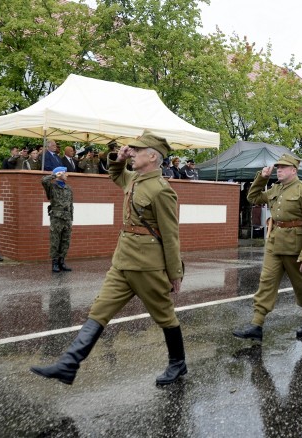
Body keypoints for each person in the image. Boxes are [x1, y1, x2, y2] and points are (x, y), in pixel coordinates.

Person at [30, 130, 186, 386]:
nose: (132, 152)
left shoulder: (161, 190)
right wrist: (120, 158)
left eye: (137, 150)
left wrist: (175, 272)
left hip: (147, 265)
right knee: (99, 310)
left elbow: (170, 235)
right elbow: (115, 174)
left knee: (165, 316)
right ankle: (69, 364)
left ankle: (178, 363)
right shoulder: (133, 179)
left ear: (152, 156)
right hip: (123, 261)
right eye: (132, 149)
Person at [232, 153, 302, 342]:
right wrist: (262, 178)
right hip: (274, 243)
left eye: (283, 167)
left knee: (301, 286)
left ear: (293, 170)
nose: (278, 170)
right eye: (277, 167)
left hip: (295, 247)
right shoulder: (275, 189)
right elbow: (253, 197)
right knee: (266, 282)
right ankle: (257, 324)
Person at [41, 167, 74, 273]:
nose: (67, 175)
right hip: (56, 218)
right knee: (55, 241)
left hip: (67, 217)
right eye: (65, 173)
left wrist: (71, 218)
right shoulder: (51, 186)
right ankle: (54, 263)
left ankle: (62, 262)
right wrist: (55, 175)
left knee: (65, 241)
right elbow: (44, 180)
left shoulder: (68, 188)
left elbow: (71, 204)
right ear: (59, 174)